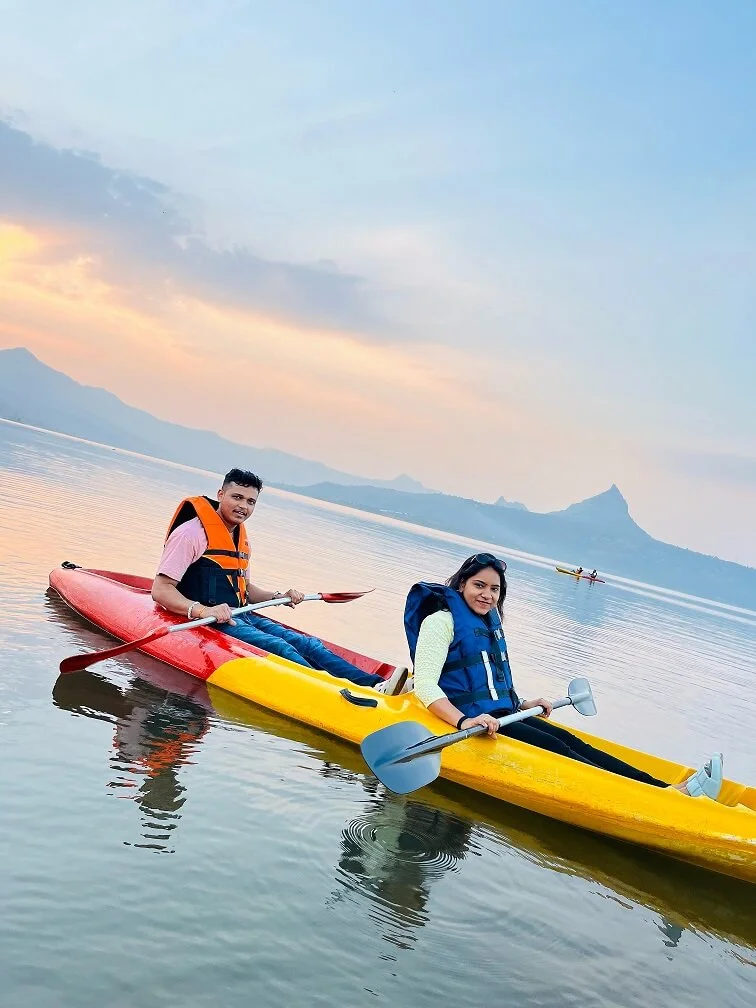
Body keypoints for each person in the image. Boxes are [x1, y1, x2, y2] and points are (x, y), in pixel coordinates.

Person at [404, 552, 723, 799]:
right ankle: (661, 797)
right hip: (474, 722)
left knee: (572, 741)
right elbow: (426, 685)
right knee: (559, 750)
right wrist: (463, 722)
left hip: (503, 714)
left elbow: (487, 681)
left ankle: (665, 788)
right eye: (479, 585)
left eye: (495, 589)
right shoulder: (441, 622)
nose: (488, 595)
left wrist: (523, 703)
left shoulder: (488, 623)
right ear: (461, 585)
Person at [152, 468, 408, 695]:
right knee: (280, 648)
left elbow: (244, 589)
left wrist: (277, 597)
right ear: (220, 494)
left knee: (309, 644)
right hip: (209, 619)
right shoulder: (191, 534)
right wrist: (203, 610)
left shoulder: (238, 535)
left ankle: (374, 685)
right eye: (237, 497)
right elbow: (160, 590)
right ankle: (341, 696)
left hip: (240, 613)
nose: (243, 506)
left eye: (251, 501)